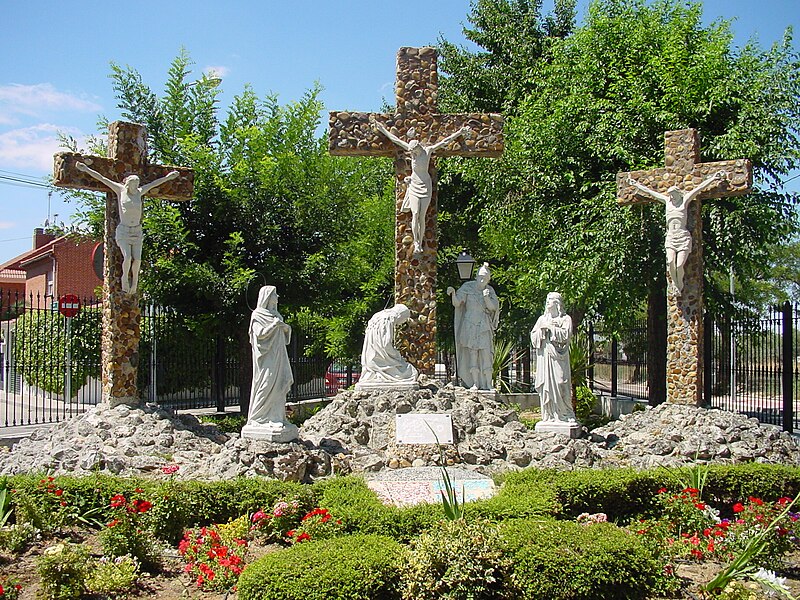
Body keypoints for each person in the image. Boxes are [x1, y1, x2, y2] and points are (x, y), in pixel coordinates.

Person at [75, 162, 179, 294]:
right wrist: (86, 169)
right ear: (128, 184)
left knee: (138, 259)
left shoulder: (140, 192)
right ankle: (125, 278)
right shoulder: (120, 190)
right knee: (128, 258)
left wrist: (168, 177)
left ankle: (134, 282)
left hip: (137, 231)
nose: (135, 187)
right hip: (124, 231)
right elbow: (102, 178)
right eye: (133, 184)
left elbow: (154, 184)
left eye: (137, 184)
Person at [371, 117, 469, 254]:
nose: (412, 154)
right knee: (415, 213)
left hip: (426, 185)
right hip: (414, 185)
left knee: (422, 216)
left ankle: (420, 241)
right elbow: (396, 140)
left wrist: (459, 132)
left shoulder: (427, 151)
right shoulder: (412, 152)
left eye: (413, 151)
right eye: (410, 152)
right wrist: (382, 129)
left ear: (417, 147)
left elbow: (444, 141)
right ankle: (416, 243)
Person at [628, 171, 726, 294]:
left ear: (678, 194)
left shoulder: (684, 201)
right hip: (671, 237)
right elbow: (650, 192)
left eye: (674, 194)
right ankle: (675, 284)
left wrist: (713, 178)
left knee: (679, 265)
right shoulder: (667, 201)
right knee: (670, 262)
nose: (672, 197)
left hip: (682, 237)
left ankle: (679, 284)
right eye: (671, 195)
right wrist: (636, 185)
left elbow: (699, 188)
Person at [243, 285, 297, 441]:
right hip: (267, 360)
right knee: (266, 385)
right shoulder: (258, 315)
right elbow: (259, 336)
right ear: (267, 297)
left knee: (281, 384)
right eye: (275, 295)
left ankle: (277, 417)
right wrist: (274, 325)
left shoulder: (276, 314)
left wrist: (285, 328)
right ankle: (260, 418)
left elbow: (285, 338)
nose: (277, 298)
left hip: (280, 356)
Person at [446, 263, 500, 390]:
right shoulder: (467, 287)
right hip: (469, 324)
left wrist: (486, 298)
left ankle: (488, 384)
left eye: (485, 278)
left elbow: (493, 308)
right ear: (476, 276)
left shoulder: (489, 290)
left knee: (486, 354)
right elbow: (458, 303)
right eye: (480, 277)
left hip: (483, 325)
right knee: (473, 354)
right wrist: (453, 293)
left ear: (488, 279)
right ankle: (474, 383)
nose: (482, 280)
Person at [530, 292, 575, 423]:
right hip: (545, 357)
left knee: (561, 382)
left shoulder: (566, 319)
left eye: (551, 299)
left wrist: (550, 327)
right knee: (546, 387)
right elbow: (533, 337)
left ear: (557, 303)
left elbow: (566, 336)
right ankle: (549, 415)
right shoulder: (541, 319)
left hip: (559, 357)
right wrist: (541, 331)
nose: (548, 302)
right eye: (547, 299)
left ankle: (565, 413)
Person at [357, 303, 418, 387]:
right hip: (381, 360)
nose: (398, 324)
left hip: (370, 358)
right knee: (411, 372)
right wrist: (397, 356)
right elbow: (386, 344)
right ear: (400, 315)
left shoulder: (377, 316)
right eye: (400, 322)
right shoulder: (389, 319)